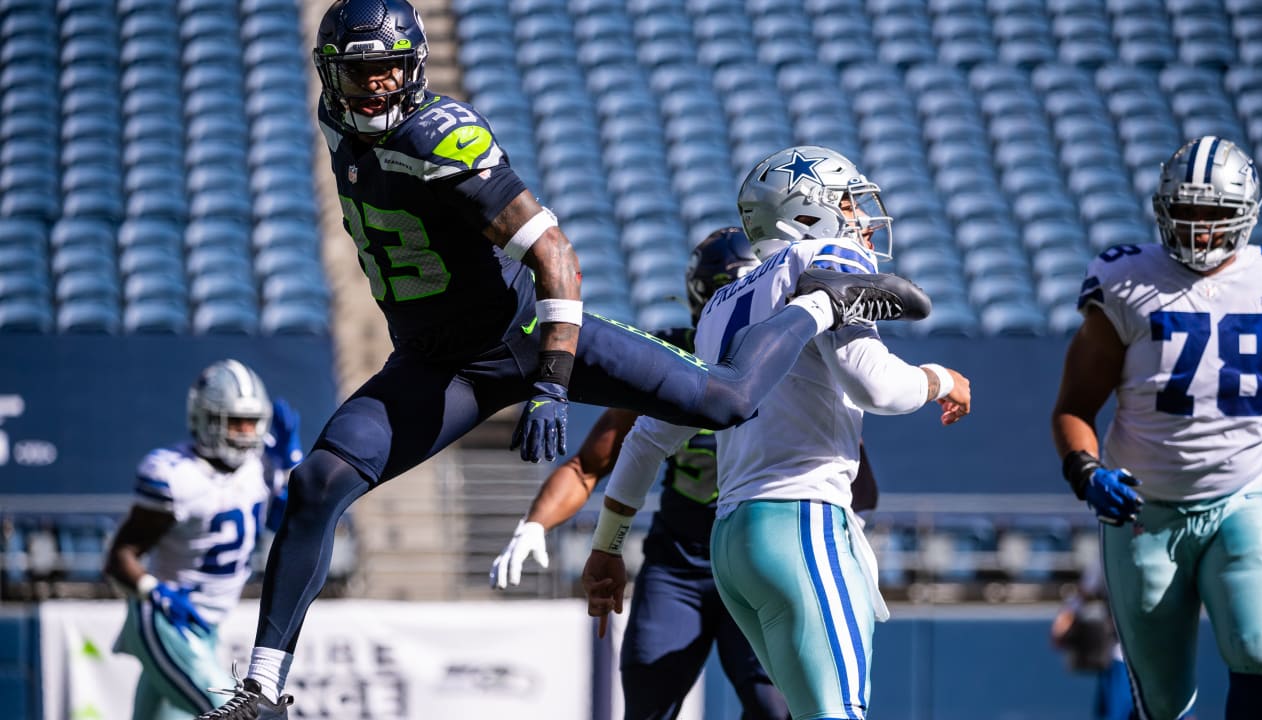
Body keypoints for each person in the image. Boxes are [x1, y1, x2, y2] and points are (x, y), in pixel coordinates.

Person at [196, 2, 932, 716]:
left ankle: (824, 299)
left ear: (416, 67)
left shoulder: (441, 135)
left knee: (729, 401)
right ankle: (262, 690)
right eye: (361, 75)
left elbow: (554, 254)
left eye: (390, 70)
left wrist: (551, 380)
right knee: (317, 482)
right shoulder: (337, 121)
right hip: (434, 364)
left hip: (525, 335)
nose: (376, 87)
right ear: (330, 76)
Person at [582, 145, 972, 720]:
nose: (861, 217)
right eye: (846, 202)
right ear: (806, 214)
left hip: (733, 540)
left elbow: (648, 435)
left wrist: (606, 545)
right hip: (802, 520)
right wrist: (941, 379)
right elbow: (878, 388)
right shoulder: (824, 255)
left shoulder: (719, 304)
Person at [491, 227, 791, 719]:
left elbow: (850, 473)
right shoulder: (674, 360)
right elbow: (590, 465)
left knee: (774, 706)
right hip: (681, 566)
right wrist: (535, 524)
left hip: (759, 556)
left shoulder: (795, 363)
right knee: (649, 703)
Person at [1051, 135, 1262, 720]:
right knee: (1164, 701)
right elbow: (1074, 406)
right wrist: (1087, 472)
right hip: (1143, 514)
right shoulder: (1127, 280)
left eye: (1215, 214)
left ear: (1247, 216)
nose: (1200, 229)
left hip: (1243, 499)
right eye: (1188, 212)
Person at [103, 360, 299, 719]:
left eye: (252, 422)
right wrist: (153, 590)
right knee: (233, 714)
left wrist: (289, 466)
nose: (245, 433)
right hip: (165, 618)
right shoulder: (176, 475)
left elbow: (283, 524)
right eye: (235, 422)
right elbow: (120, 556)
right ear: (206, 419)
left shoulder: (262, 467)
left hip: (206, 627)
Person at [1050, 559, 1133, 720]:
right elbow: (1084, 592)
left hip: (1156, 656)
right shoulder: (1110, 551)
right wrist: (1065, 619)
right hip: (1123, 655)